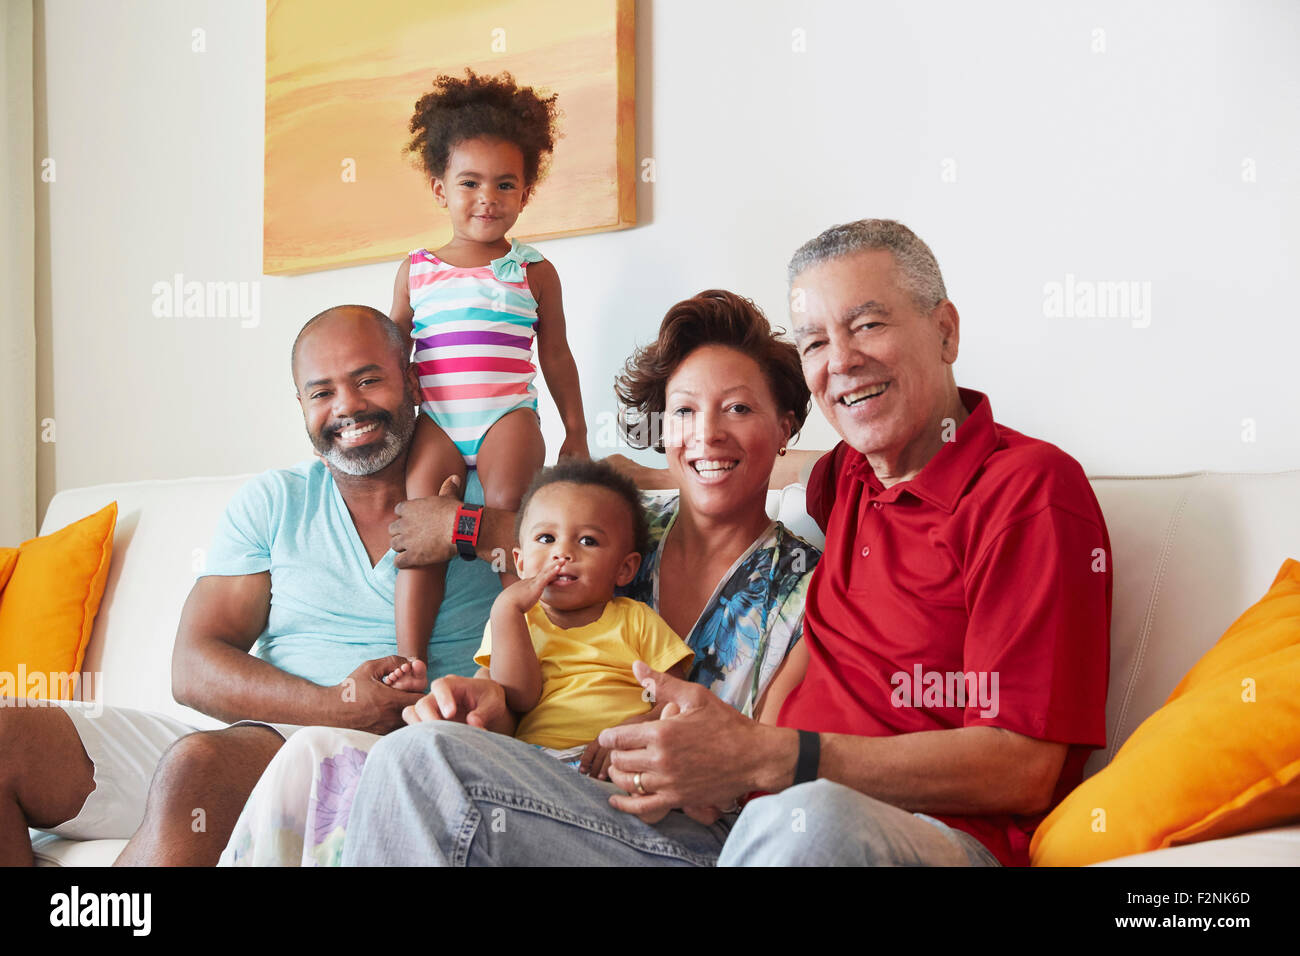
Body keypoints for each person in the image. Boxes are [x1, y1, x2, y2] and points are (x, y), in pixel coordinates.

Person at [336, 219, 1112, 867]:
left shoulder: (1029, 492)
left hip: (903, 831)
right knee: (419, 761)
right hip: (706, 823)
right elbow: (660, 495)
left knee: (809, 821)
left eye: (868, 323)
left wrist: (774, 756)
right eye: (815, 342)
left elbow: (1027, 766)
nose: (841, 361)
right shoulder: (850, 482)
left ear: (944, 330)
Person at [219, 290, 822, 865]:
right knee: (328, 753)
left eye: (739, 408)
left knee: (424, 760)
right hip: (549, 793)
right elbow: (528, 651)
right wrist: (487, 705)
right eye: (685, 411)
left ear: (786, 424)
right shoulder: (617, 523)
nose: (707, 433)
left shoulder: (806, 588)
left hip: (683, 828)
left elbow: (766, 767)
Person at [0, 304, 500, 866]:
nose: (348, 407)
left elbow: (581, 539)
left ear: (411, 380)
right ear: (302, 406)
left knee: (200, 766)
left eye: (367, 380)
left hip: (393, 754)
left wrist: (464, 525)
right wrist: (335, 705)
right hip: (265, 740)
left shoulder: (485, 495)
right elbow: (193, 667)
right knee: (7, 736)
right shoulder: (276, 500)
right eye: (322, 392)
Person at [385, 68, 588, 691]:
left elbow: (555, 354)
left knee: (507, 519)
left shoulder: (532, 269)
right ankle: (409, 661)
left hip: (507, 416)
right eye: (470, 183)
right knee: (420, 532)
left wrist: (574, 431)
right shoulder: (417, 270)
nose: (487, 198)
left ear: (525, 193)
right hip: (438, 422)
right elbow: (393, 354)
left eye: (506, 184)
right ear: (439, 185)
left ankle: (522, 660)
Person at [478, 459, 693, 772]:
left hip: (618, 759)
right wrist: (507, 610)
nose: (562, 553)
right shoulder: (514, 620)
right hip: (535, 763)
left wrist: (641, 724)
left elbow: (678, 699)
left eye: (587, 541)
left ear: (625, 568)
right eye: (546, 538)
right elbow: (518, 698)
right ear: (520, 562)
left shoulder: (637, 619)